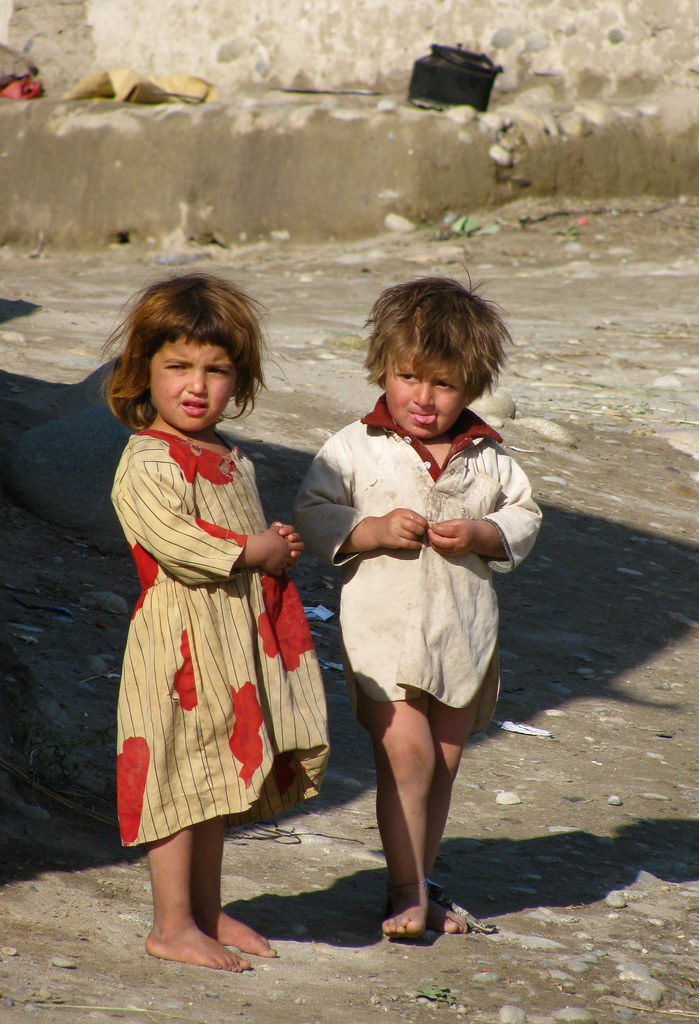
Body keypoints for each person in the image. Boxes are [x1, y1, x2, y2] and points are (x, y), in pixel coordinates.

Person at [294, 276, 541, 940]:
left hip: (464, 634)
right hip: (384, 634)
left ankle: (421, 882)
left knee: (444, 763)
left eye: (444, 384)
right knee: (408, 755)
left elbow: (525, 514)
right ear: (383, 368)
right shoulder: (356, 446)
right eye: (409, 378)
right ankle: (403, 891)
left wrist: (486, 535)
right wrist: (369, 530)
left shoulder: (488, 456)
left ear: (473, 384)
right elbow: (313, 510)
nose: (424, 399)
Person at [106, 273, 329, 971]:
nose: (196, 385)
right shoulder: (146, 460)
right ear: (145, 370)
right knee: (176, 779)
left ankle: (204, 911)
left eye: (216, 370)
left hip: (230, 644)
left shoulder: (229, 455)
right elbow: (177, 543)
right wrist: (248, 550)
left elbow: (241, 535)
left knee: (212, 781)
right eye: (178, 367)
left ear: (239, 378)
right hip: (179, 651)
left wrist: (273, 546)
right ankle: (171, 925)